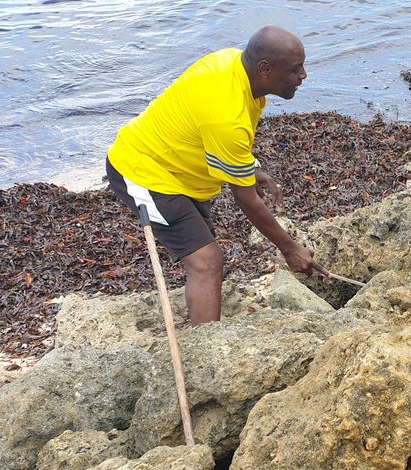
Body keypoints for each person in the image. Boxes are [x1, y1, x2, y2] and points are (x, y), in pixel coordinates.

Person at [106, 26, 328, 324]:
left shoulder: (233, 66)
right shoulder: (227, 115)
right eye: (294, 69)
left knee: (205, 257)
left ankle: (203, 327)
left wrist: (251, 168)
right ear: (265, 69)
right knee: (207, 262)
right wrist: (290, 249)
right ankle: (207, 343)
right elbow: (246, 199)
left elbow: (208, 131)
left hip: (182, 171)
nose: (303, 75)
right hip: (144, 171)